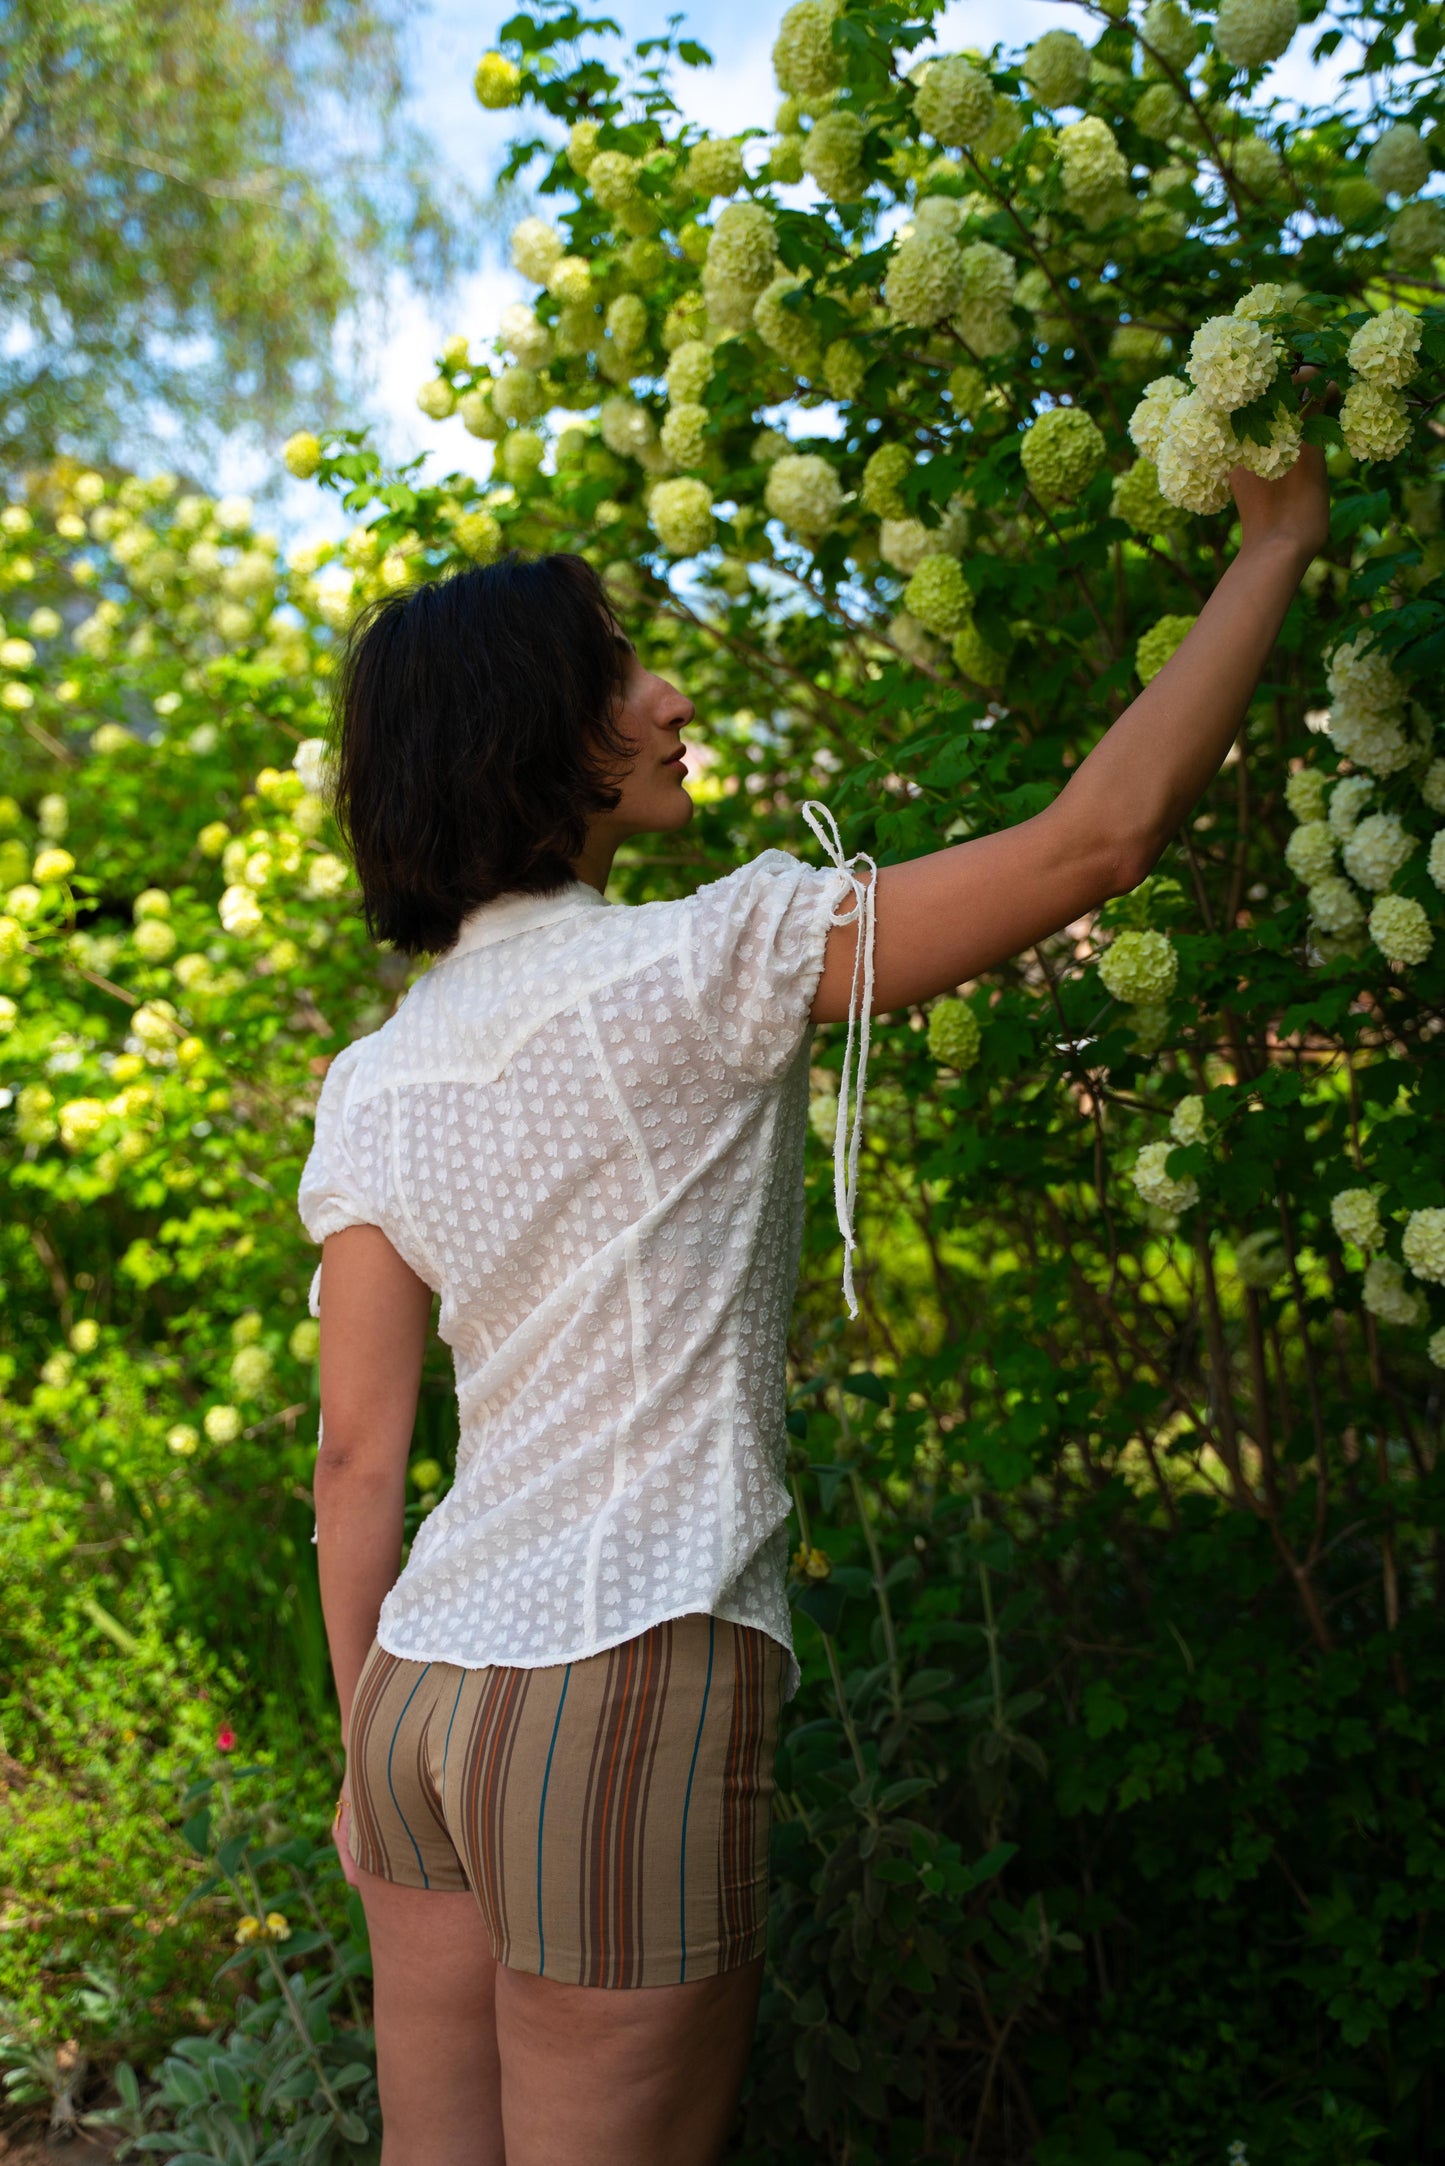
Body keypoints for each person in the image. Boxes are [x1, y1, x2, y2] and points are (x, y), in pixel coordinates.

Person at [297, 442, 1328, 2165]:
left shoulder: (375, 1077)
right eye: (625, 667)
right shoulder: (710, 959)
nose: (672, 689)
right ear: (539, 735)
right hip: (619, 1664)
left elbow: (352, 1459)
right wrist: (1278, 541)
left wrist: (358, 1761)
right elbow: (1097, 839)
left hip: (415, 1699)